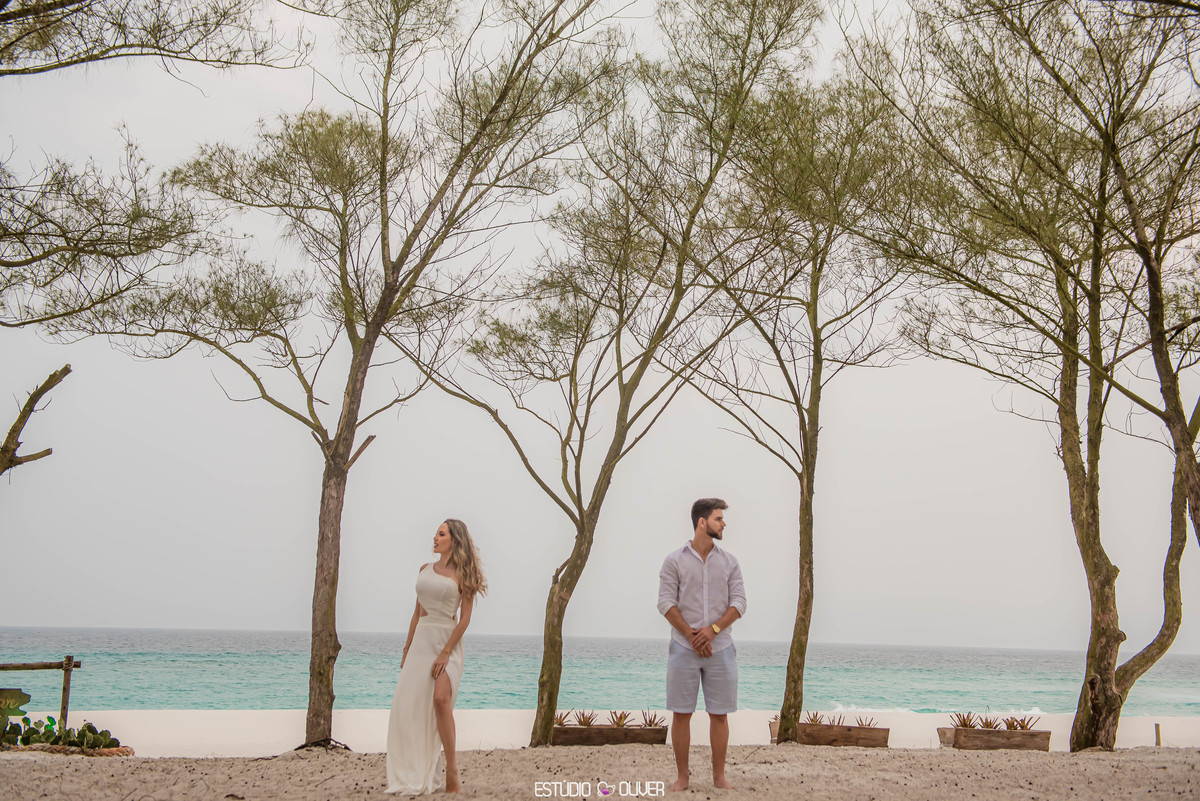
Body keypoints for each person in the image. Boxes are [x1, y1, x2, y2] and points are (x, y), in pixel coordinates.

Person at [386, 519, 486, 795]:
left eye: (441, 534)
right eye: (436, 533)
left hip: (448, 643)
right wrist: (406, 650)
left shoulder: (464, 574)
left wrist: (444, 653)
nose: (435, 537)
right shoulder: (424, 570)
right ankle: (416, 768)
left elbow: (464, 620)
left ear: (454, 540)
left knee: (441, 700)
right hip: (422, 642)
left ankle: (452, 769)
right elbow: (417, 614)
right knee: (412, 708)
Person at [657, 498, 746, 792]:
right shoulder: (674, 560)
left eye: (722, 519)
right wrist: (693, 637)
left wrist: (712, 631)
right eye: (719, 518)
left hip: (721, 649)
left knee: (719, 715)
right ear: (702, 522)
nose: (724, 524)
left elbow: (739, 603)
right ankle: (682, 777)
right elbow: (666, 603)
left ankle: (719, 777)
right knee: (681, 714)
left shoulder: (730, 562)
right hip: (683, 649)